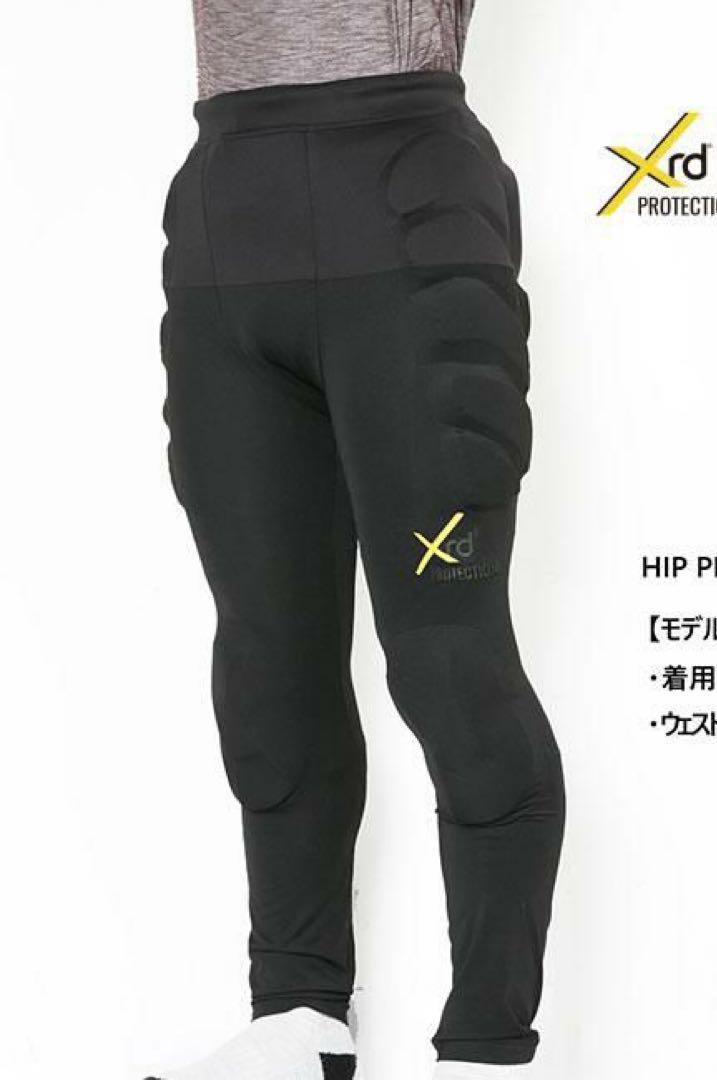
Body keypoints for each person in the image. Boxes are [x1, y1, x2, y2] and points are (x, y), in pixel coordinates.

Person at [149, 3, 565, 1078]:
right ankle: (298, 1020)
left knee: (448, 661)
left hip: (409, 221)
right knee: (268, 659)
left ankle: (485, 1048)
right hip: (223, 230)